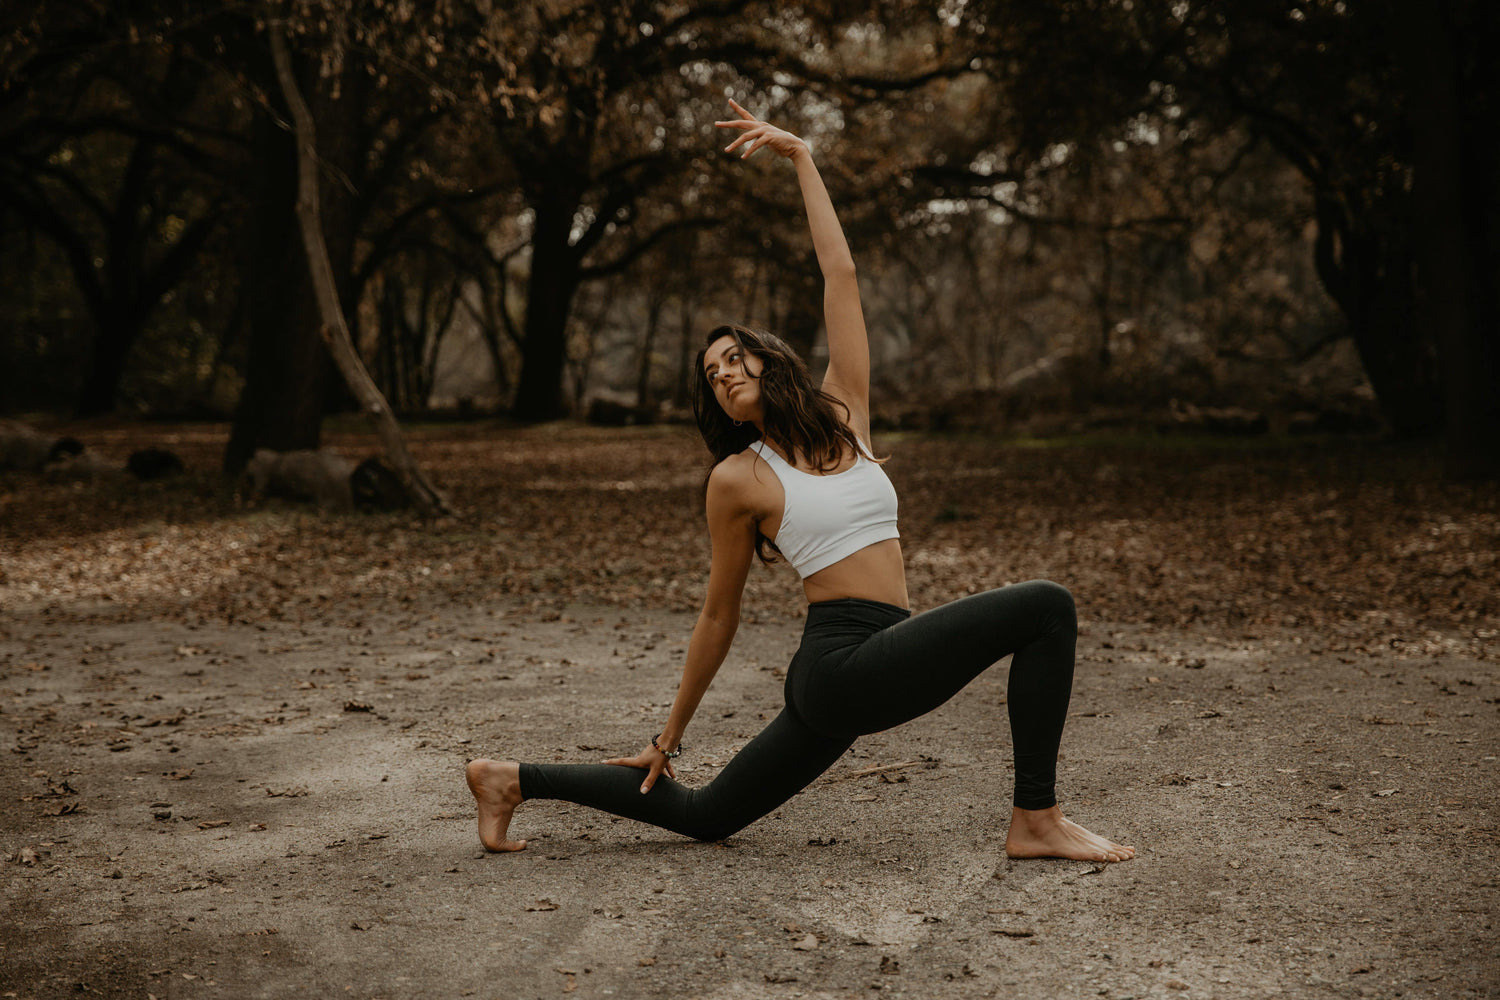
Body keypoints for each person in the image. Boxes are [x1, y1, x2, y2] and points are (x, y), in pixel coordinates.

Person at [466, 98, 1134, 864]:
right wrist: (667, 736)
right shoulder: (738, 479)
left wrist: (802, 158)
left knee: (706, 815)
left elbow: (839, 273)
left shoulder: (844, 410)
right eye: (711, 377)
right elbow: (718, 616)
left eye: (732, 359)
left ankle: (508, 779)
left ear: (766, 358)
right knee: (1047, 608)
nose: (722, 376)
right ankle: (1036, 819)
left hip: (879, 656)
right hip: (840, 665)